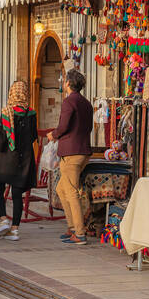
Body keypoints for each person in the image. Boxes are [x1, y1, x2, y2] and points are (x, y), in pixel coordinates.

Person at [0, 81, 39, 242]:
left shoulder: (7, 112)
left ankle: (3, 220)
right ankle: (14, 230)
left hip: (7, 158)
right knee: (16, 194)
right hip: (25, 159)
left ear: (12, 94)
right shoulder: (32, 113)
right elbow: (34, 136)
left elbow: (1, 136)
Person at [49, 68, 94, 246]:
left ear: (68, 83)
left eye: (65, 80)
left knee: (71, 193)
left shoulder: (69, 102)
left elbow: (63, 126)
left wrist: (54, 135)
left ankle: (80, 233)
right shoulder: (86, 103)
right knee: (62, 189)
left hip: (71, 152)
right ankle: (72, 227)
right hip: (82, 150)